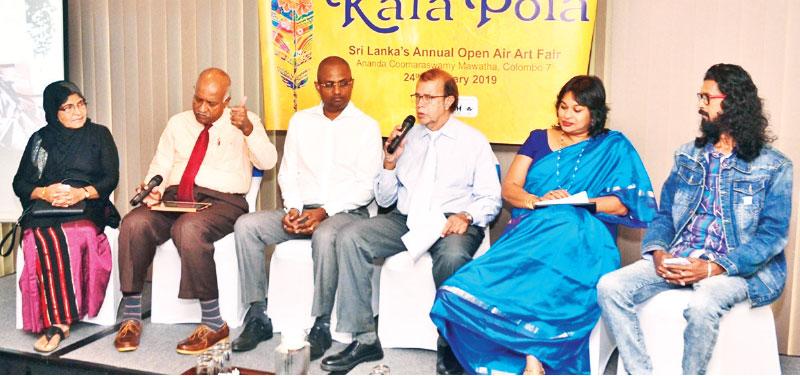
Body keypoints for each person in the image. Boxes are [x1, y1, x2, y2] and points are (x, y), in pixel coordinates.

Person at [429, 75, 658, 375]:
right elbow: (510, 188)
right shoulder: (538, 138)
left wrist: (579, 203)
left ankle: (532, 357)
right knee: (462, 289)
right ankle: (532, 354)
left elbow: (623, 203)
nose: (567, 115)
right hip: (532, 228)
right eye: (563, 106)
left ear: (595, 113)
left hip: (585, 238)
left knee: (563, 236)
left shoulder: (613, 146)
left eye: (577, 109)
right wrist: (538, 200)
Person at [597, 64, 793, 374]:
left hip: (736, 268)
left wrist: (714, 268)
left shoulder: (774, 166)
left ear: (732, 102)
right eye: (699, 96)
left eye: (707, 97)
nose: (700, 105)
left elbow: (772, 237)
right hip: (681, 255)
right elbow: (664, 216)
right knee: (610, 286)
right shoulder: (688, 156)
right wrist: (660, 253)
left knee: (702, 305)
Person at [320, 68, 503, 373]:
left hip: (451, 220)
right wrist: (389, 162)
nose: (420, 104)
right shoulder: (409, 137)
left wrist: (467, 215)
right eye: (417, 96)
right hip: (408, 217)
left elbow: (490, 198)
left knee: (454, 257)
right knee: (351, 237)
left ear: (449, 101)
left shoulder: (473, 142)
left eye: (429, 98)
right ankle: (364, 338)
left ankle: (451, 344)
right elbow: (387, 199)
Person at [113, 68, 278, 354]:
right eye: (198, 99)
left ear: (226, 101)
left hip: (223, 202)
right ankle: (130, 315)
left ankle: (214, 323)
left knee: (188, 228)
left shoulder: (244, 122)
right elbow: (161, 165)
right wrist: (154, 187)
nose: (202, 108)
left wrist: (249, 130)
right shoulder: (178, 123)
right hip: (177, 198)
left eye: (211, 103)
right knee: (133, 223)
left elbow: (268, 160)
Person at [231, 56, 382, 356]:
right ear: (317, 87)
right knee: (246, 226)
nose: (337, 91)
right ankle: (258, 314)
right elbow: (288, 173)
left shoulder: (367, 127)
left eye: (343, 83)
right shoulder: (301, 121)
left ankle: (322, 324)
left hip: (346, 213)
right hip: (303, 210)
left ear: (351, 84)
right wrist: (294, 210)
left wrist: (324, 212)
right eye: (329, 84)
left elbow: (366, 187)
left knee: (326, 235)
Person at [13, 80, 120, 353]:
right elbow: (21, 183)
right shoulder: (40, 139)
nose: (77, 112)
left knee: (76, 235)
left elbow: (110, 178)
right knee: (37, 239)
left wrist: (81, 193)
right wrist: (44, 192)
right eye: (68, 107)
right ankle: (57, 318)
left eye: (81, 104)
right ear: (53, 112)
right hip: (47, 208)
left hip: (87, 205)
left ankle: (58, 321)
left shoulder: (99, 135)